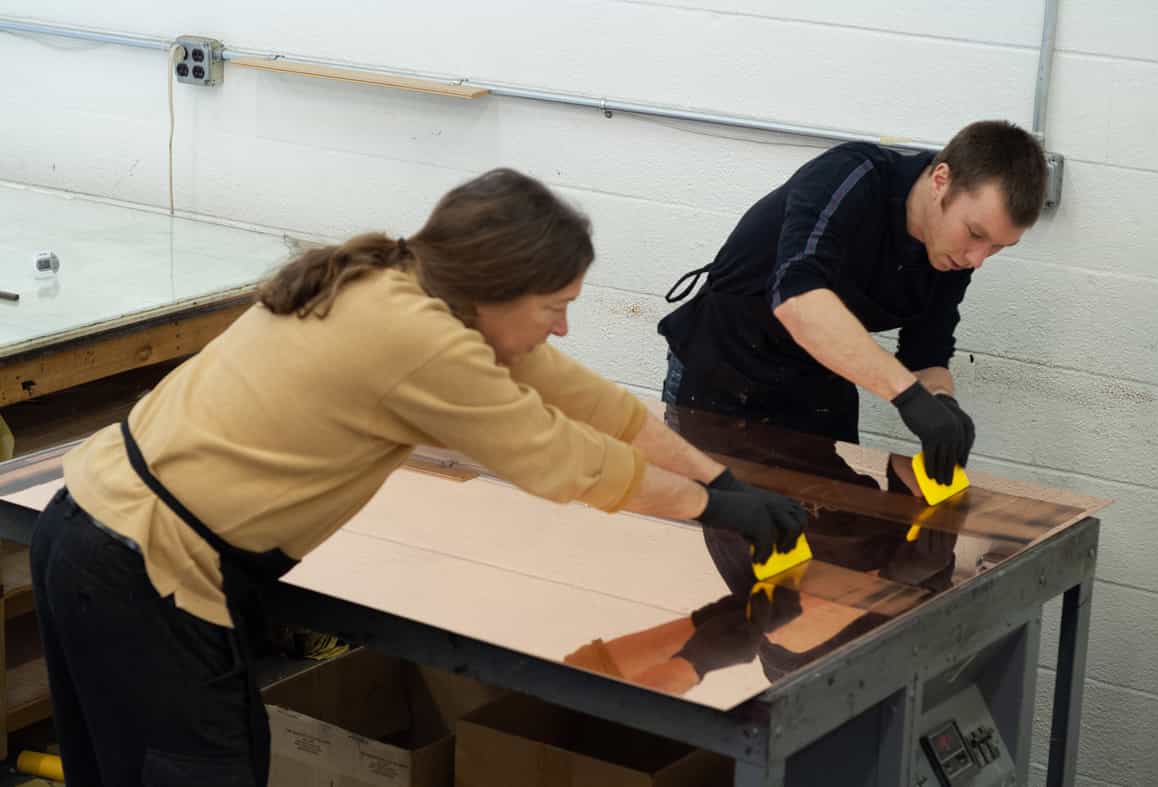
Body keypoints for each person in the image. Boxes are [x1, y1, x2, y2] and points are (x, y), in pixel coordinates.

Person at [30, 169, 808, 787]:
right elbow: (566, 461)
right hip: (145, 567)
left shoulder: (403, 280)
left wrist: (725, 477)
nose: (563, 325)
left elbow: (586, 400)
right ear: (497, 286)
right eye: (556, 305)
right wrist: (714, 509)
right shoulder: (421, 340)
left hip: (94, 528)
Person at [658, 120, 1049, 486]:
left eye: (998, 247)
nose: (977, 259)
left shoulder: (950, 254)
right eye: (975, 234)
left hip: (815, 387)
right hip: (724, 373)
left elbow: (926, 351)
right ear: (941, 181)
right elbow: (797, 300)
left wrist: (943, 407)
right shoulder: (850, 178)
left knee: (836, 535)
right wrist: (909, 397)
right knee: (722, 531)